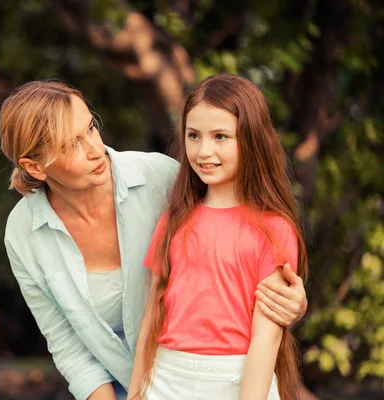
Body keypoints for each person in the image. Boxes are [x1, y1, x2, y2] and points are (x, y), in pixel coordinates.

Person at [0, 80, 307, 400]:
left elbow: (238, 250)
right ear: (34, 167)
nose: (95, 149)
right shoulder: (24, 233)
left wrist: (292, 300)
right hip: (138, 387)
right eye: (71, 144)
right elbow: (67, 343)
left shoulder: (163, 180)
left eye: (90, 128)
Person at [127, 73, 308, 400]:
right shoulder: (172, 221)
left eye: (221, 136)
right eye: (193, 135)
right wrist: (136, 392)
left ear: (251, 140)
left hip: (240, 382)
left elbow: (266, 340)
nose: (203, 150)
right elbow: (151, 319)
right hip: (166, 381)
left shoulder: (274, 229)